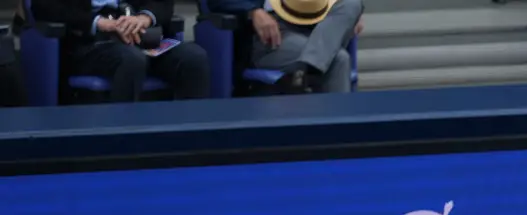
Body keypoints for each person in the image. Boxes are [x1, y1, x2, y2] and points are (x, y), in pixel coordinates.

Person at [39, 0, 210, 101]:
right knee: (131, 59)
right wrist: (99, 23)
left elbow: (162, 2)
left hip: (139, 35)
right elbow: (45, 7)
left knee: (193, 58)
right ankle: (123, 146)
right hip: (89, 43)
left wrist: (145, 17)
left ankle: (189, 145)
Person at [206, 0, 363, 94]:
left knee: (352, 4)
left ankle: (305, 71)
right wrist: (252, 11)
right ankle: (336, 138)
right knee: (338, 59)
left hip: (316, 31)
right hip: (271, 36)